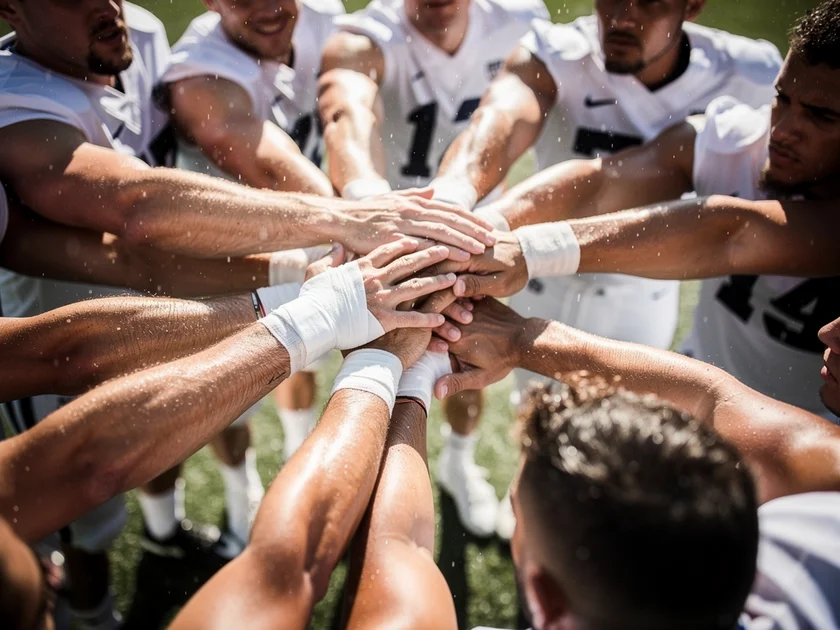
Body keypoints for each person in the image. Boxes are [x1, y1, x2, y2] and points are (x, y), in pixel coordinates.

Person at [0, 1, 493, 619]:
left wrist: (317, 273)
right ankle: (90, 607)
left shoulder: (139, 34)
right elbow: (136, 206)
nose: (104, 5)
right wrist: (348, 225)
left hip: (158, 268)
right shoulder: (14, 97)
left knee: (179, 416)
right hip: (63, 302)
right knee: (81, 510)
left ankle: (160, 532)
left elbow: (140, 252)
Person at [428, 0, 840, 536]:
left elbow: (728, 233)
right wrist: (474, 227)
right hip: (698, 392)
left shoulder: (743, 68)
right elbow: (606, 179)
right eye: (782, 100)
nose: (782, 128)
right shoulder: (743, 137)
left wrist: (530, 252)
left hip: (812, 439)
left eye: (820, 117)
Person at [318, 0, 549, 537]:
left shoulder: (521, 20)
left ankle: (459, 462)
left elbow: (507, 113)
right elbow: (346, 115)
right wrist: (370, 201)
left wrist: (448, 211)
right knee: (382, 361)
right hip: (390, 238)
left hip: (472, 230)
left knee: (468, 356)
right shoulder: (362, 34)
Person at [160, 0, 344, 541]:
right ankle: (242, 497)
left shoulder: (321, 17)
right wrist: (357, 220)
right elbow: (262, 158)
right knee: (229, 386)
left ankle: (295, 454)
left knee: (304, 348)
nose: (266, 7)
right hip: (215, 250)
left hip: (299, 227)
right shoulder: (200, 70)